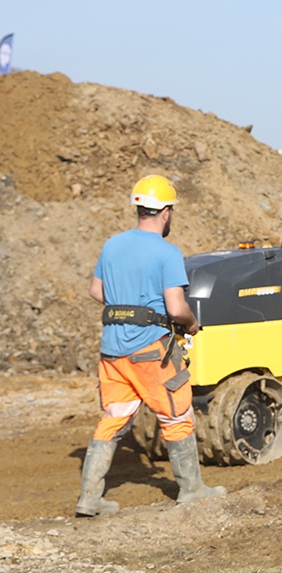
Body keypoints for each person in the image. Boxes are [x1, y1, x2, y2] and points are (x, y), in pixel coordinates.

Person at [77, 175, 225, 516]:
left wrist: (126, 305)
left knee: (113, 418)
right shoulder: (167, 253)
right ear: (166, 212)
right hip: (149, 352)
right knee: (177, 415)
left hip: (112, 351)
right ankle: (191, 488)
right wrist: (191, 324)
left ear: (139, 208)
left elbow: (96, 292)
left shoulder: (112, 245)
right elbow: (175, 307)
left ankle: (89, 497)